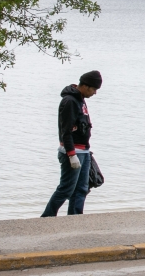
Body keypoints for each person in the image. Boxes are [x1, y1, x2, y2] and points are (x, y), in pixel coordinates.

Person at [42, 71, 102, 217]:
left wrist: (86, 152)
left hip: (84, 151)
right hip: (72, 152)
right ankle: (46, 218)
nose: (95, 93)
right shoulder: (69, 101)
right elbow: (66, 130)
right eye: (94, 89)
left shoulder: (80, 99)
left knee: (82, 188)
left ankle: (75, 219)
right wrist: (71, 154)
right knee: (66, 189)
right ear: (86, 86)